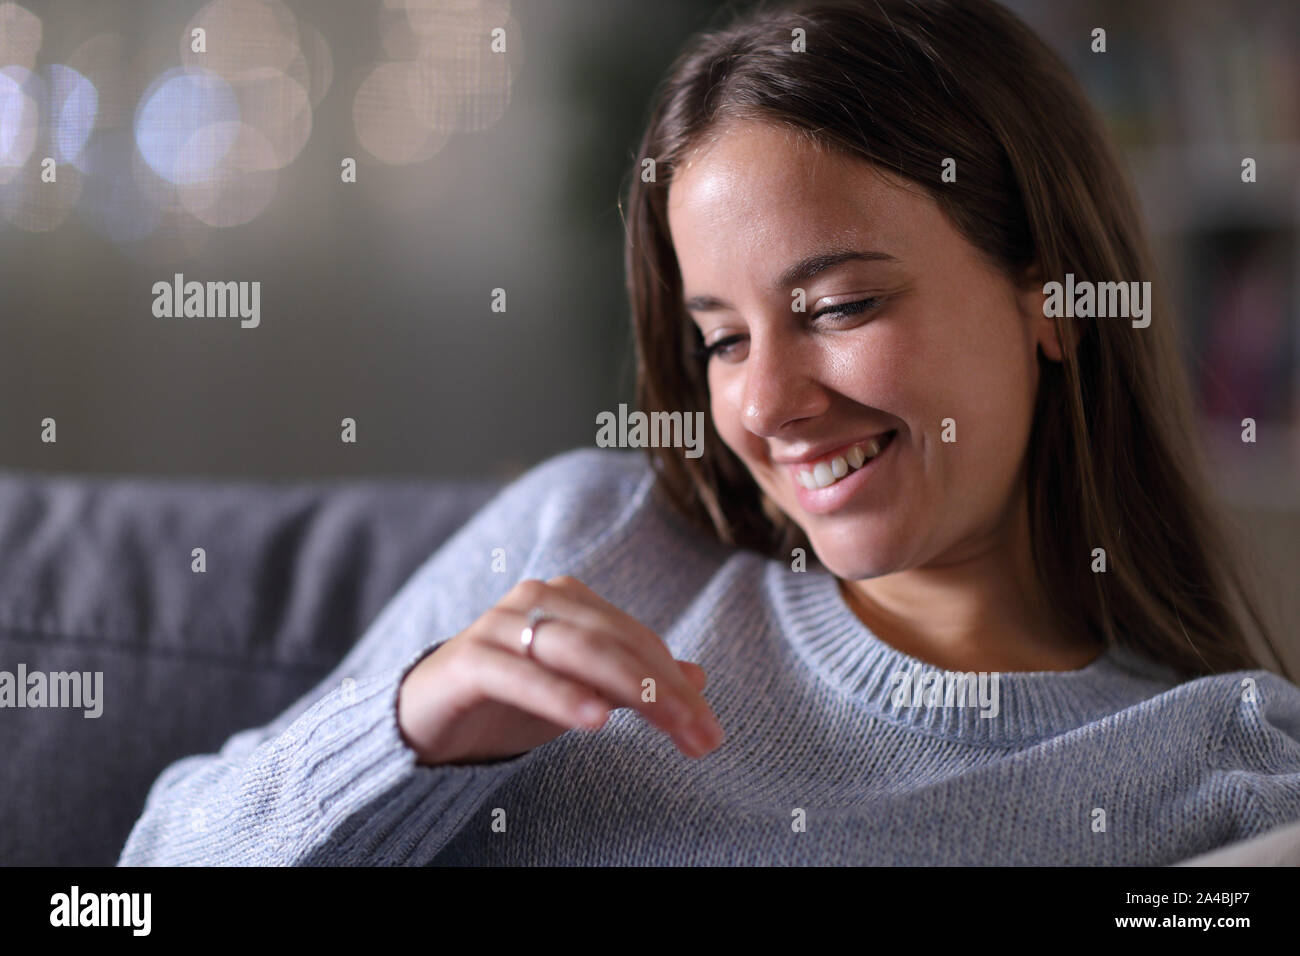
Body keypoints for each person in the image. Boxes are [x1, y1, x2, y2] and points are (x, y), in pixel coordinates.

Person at [118, 0, 1300, 866]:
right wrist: (408, 730)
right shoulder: (589, 529)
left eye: (837, 307)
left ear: (1050, 296)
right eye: (722, 340)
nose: (766, 405)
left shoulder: (1220, 769)